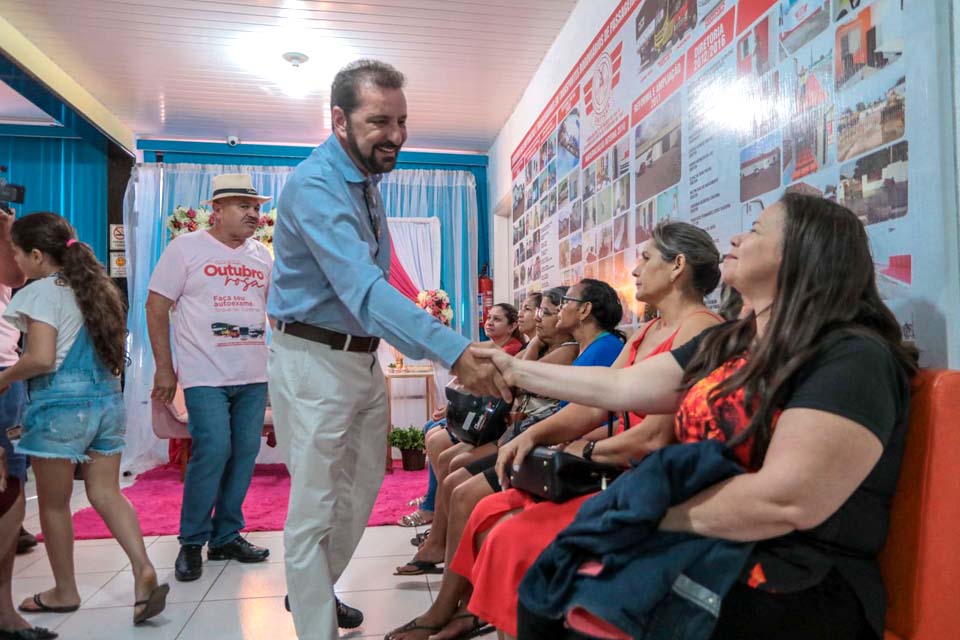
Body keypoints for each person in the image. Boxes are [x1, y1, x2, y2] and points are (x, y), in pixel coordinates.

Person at [483, 195, 916, 640]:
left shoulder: (852, 356)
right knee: (554, 589)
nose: (736, 237)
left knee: (576, 606)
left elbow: (787, 500)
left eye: (756, 230)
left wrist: (647, 519)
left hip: (795, 573)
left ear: (803, 253)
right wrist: (512, 369)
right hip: (713, 541)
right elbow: (620, 388)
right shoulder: (731, 342)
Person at [387, 223, 722, 640]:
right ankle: (466, 611)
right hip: (614, 465)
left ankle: (475, 615)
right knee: (489, 512)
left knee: (508, 533)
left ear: (678, 267)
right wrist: (536, 436)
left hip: (643, 477)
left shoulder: (701, 329)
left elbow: (654, 434)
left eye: (647, 258)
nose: (635, 270)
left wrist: (580, 450)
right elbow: (598, 401)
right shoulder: (650, 331)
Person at [267, 59, 504, 639]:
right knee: (316, 505)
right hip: (312, 358)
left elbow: (373, 292)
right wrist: (455, 350)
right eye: (380, 121)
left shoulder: (367, 181)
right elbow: (363, 289)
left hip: (357, 355)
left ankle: (313, 590)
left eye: (401, 120)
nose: (395, 134)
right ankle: (315, 622)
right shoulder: (317, 185)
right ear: (339, 120)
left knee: (364, 484)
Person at [1, 212, 168, 624]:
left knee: (55, 506)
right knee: (108, 493)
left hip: (60, 409)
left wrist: (4, 378)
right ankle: (142, 567)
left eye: (17, 254)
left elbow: (40, 358)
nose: (16, 264)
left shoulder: (39, 294)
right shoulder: (96, 289)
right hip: (107, 405)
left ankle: (64, 591)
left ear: (38, 255)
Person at [395, 287, 578, 575]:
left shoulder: (567, 350)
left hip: (521, 434)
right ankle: (438, 538)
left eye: (544, 312)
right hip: (511, 430)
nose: (538, 318)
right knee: (443, 448)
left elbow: (517, 375)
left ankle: (441, 541)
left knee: (453, 461)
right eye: (536, 311)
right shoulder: (539, 345)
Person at [146, 174, 274, 583]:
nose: (254, 213)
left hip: (253, 375)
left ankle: (225, 536)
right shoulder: (185, 248)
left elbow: (276, 314)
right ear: (216, 211)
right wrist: (165, 369)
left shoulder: (263, 256)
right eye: (244, 206)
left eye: (256, 206)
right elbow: (155, 306)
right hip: (204, 374)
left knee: (243, 453)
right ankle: (191, 540)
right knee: (214, 449)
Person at [397, 292, 545, 529]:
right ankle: (434, 503)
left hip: (498, 426)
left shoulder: (518, 348)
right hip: (495, 421)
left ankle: (433, 508)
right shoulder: (515, 346)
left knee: (439, 442)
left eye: (535, 311)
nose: (489, 322)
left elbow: (494, 392)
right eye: (489, 317)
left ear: (512, 326)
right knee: (433, 431)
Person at [0, 207, 55, 639]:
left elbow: (13, 276)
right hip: (9, 375)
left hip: (5, 376)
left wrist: (5, 231)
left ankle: (4, 613)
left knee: (11, 485)